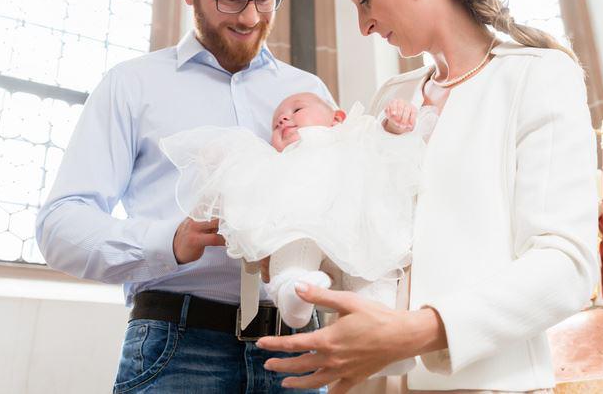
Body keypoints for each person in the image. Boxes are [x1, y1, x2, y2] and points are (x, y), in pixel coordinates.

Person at [257, 0, 599, 394]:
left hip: (491, 384)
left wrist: (415, 332)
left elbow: (565, 265)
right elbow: (367, 234)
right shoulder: (390, 97)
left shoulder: (537, 76)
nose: (364, 25)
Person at [35, 0, 331, 393]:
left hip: (295, 346)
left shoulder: (307, 92)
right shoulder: (132, 85)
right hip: (178, 346)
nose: (252, 18)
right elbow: (60, 227)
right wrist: (169, 242)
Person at [159, 92, 429, 377]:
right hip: (302, 229)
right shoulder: (277, 164)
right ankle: (293, 291)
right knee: (289, 244)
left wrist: (394, 124)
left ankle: (383, 343)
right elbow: (241, 185)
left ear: (337, 119)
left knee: (372, 281)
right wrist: (219, 162)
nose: (283, 119)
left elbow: (383, 147)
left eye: (297, 109)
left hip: (359, 234)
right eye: (276, 124)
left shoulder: (352, 137)